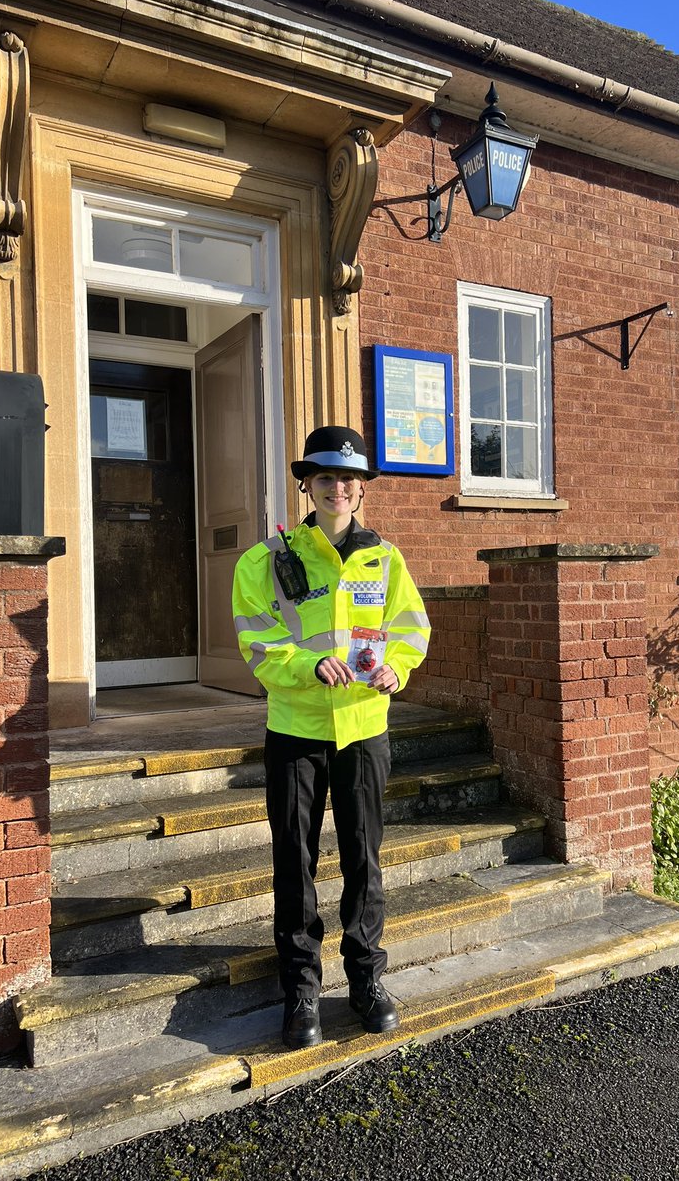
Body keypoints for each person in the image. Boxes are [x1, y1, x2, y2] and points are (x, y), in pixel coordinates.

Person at [232, 426, 430, 1050]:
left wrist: (401, 664)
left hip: (365, 730)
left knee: (364, 860)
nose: (339, 488)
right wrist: (304, 665)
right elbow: (257, 641)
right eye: (326, 478)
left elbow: (411, 627)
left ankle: (367, 978)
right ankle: (301, 989)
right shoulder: (266, 561)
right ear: (306, 486)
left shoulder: (385, 558)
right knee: (295, 863)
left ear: (361, 488)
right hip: (297, 731)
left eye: (349, 478)